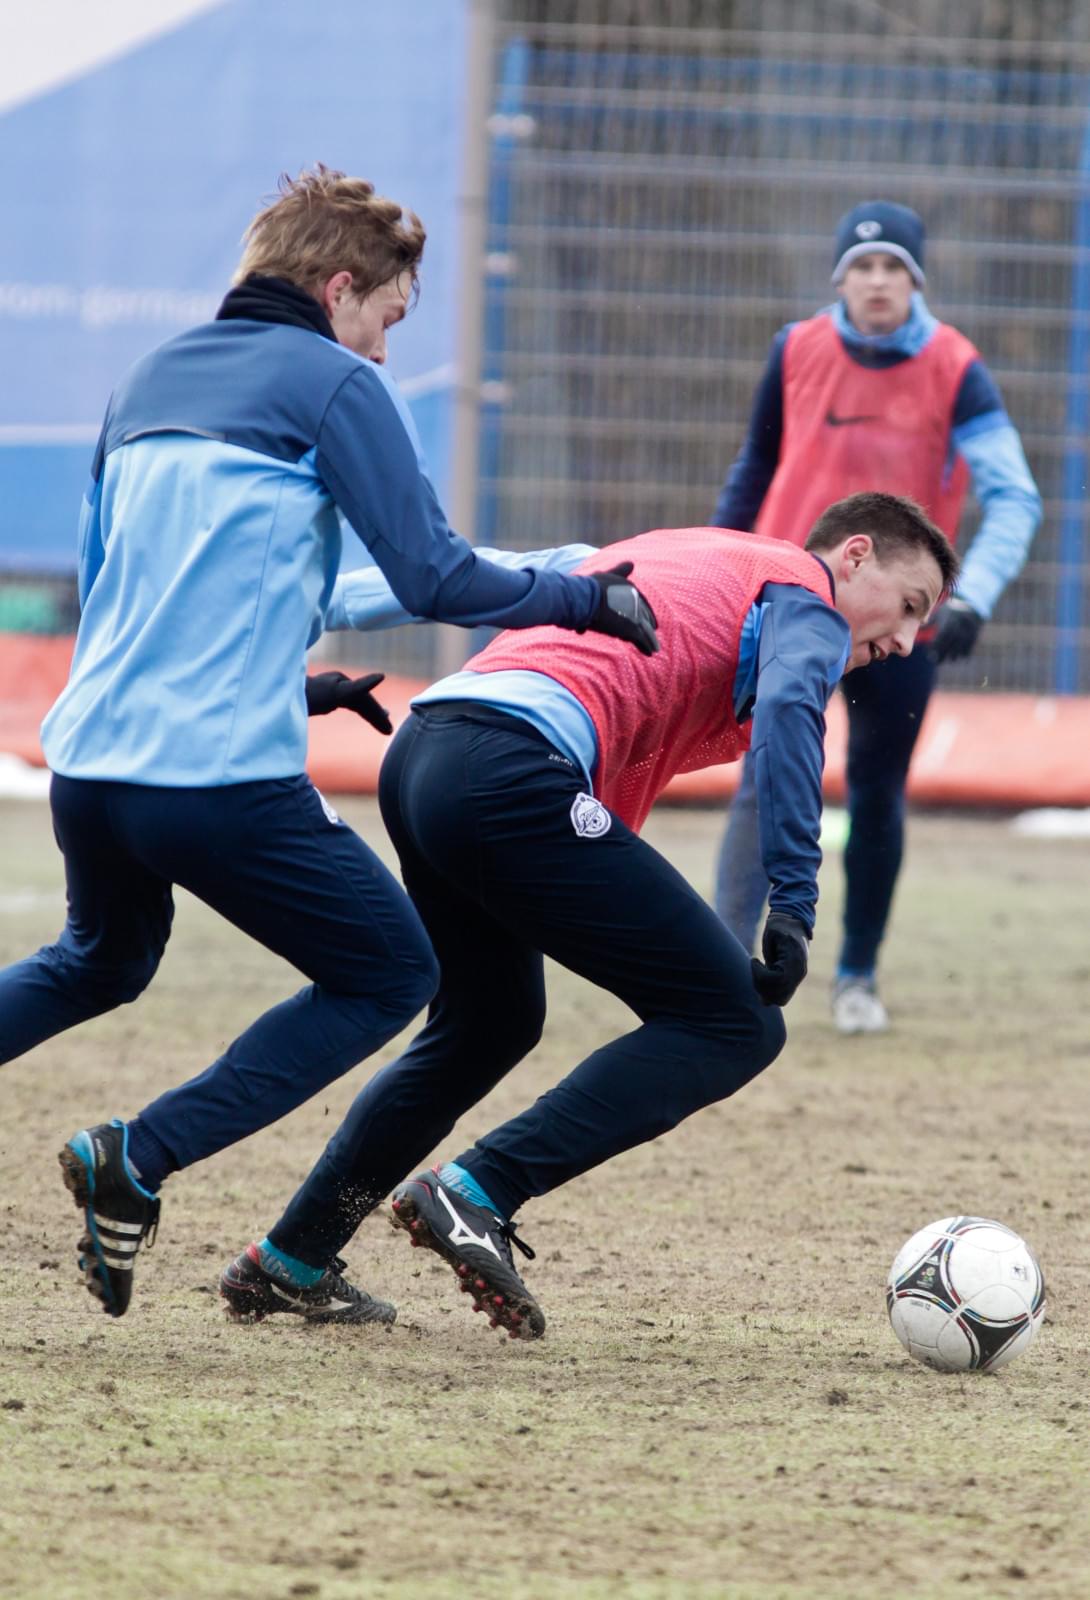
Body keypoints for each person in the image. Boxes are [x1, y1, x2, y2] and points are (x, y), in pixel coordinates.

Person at [0, 166, 658, 1321]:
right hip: (208, 777)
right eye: (389, 319)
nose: (386, 353)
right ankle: (137, 1157)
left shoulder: (144, 378)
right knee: (392, 970)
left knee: (100, 959)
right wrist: (580, 598)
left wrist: (283, 682)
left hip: (92, 764)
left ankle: (138, 1159)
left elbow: (122, 596)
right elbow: (436, 574)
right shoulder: (334, 386)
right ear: (341, 286)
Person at [219, 491, 956, 1340]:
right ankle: (476, 1191)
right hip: (506, 769)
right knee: (737, 1025)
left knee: (487, 1025)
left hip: (427, 753)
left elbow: (487, 568)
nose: (905, 642)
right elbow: (794, 711)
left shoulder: (691, 552)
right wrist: (793, 894)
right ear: (854, 555)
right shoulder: (806, 596)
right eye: (909, 607)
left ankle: (293, 1258)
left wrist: (309, 612)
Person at [711, 201, 1041, 1035]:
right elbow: (755, 469)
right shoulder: (797, 349)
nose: (878, 281)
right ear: (841, 280)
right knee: (761, 779)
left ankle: (855, 974)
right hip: (787, 604)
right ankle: (717, 965)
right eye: (862, 267)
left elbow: (1014, 494)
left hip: (900, 627)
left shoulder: (955, 366)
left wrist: (973, 594)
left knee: (877, 792)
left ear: (917, 281)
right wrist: (718, 563)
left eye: (895, 267)